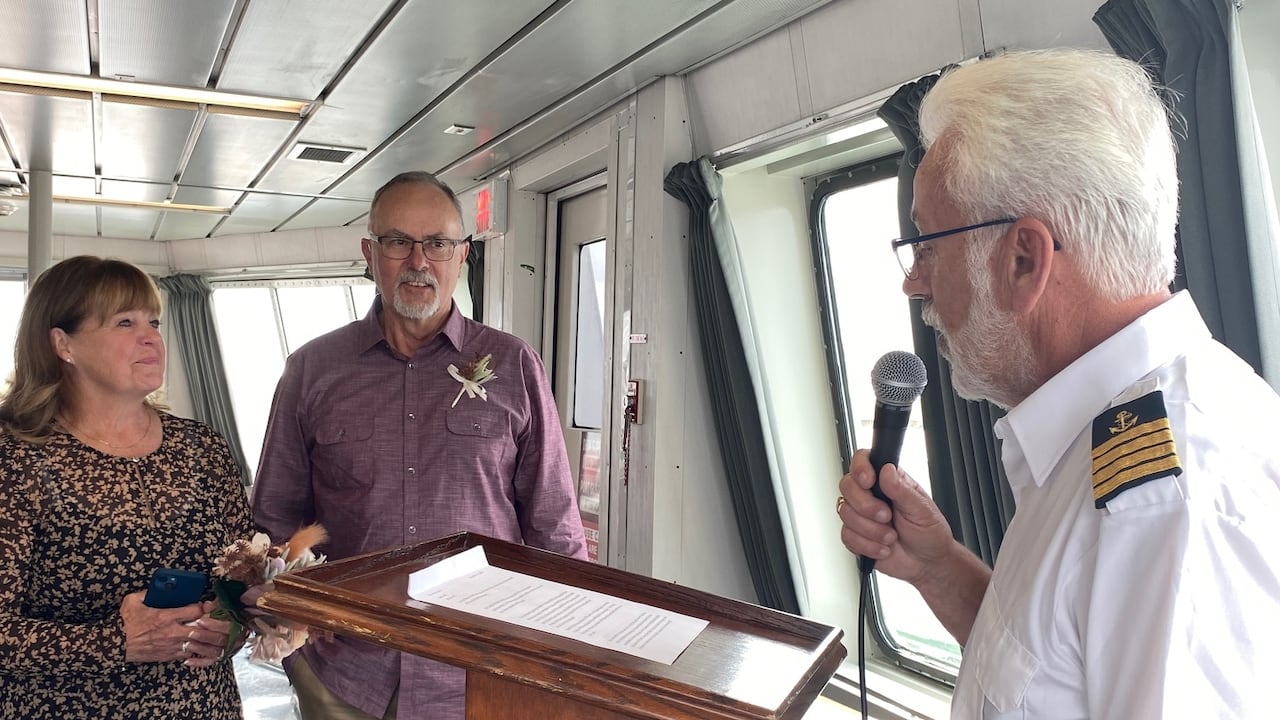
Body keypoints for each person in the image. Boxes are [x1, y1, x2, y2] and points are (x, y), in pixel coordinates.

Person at [835, 48, 1280, 719]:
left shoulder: (1168, 502)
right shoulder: (1106, 436)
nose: (914, 280)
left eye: (929, 243)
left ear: (1023, 260)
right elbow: (1052, 675)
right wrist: (937, 566)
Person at [253, 170, 588, 719]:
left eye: (437, 243)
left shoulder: (513, 364)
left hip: (483, 674)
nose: (418, 260)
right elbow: (275, 521)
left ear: (462, 254)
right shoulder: (311, 370)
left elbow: (553, 525)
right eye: (397, 241)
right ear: (369, 252)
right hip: (346, 672)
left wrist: (564, 662)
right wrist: (292, 637)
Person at [0, 256, 253, 719]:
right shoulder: (16, 457)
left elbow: (242, 582)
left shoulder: (202, 447)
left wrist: (231, 626)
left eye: (153, 321)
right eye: (124, 322)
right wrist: (115, 641)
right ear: (63, 344)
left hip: (204, 707)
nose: (151, 337)